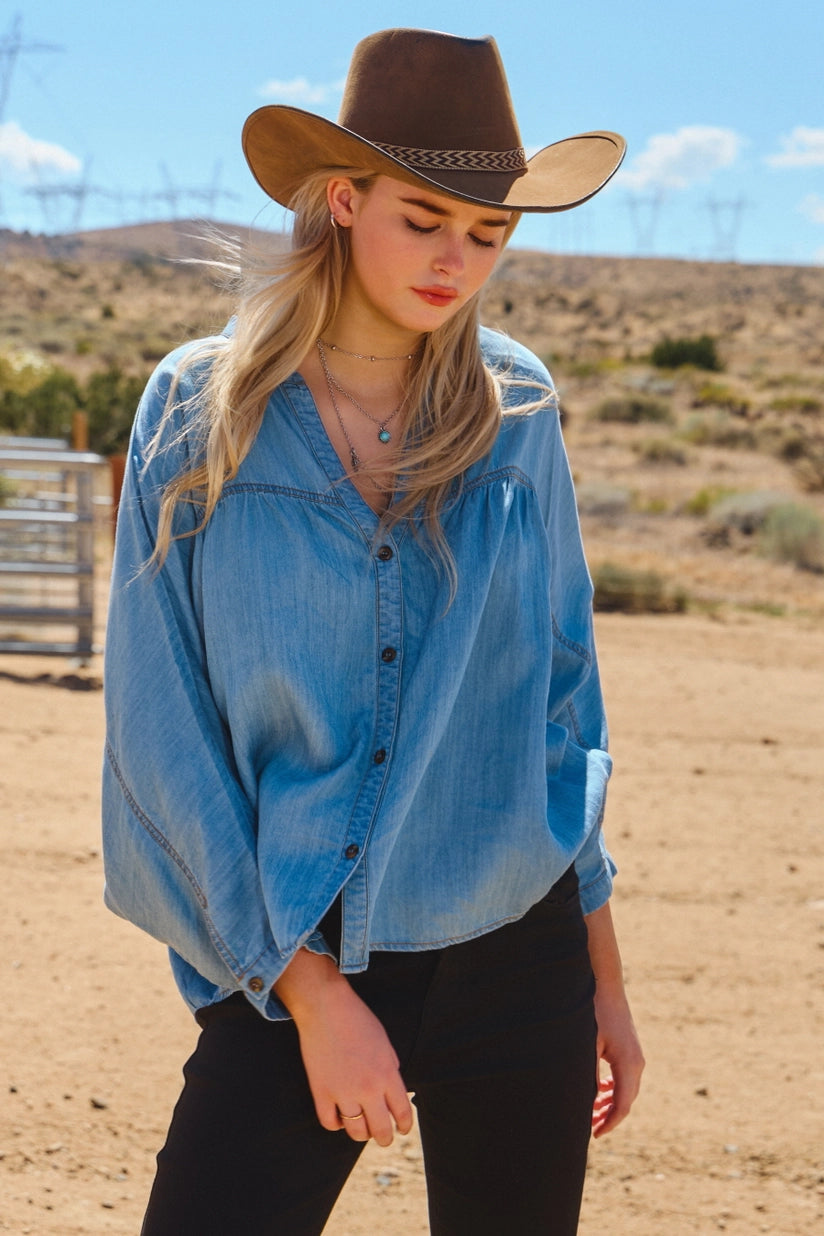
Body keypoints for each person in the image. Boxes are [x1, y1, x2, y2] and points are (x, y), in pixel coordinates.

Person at [102, 27, 644, 1236]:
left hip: (520, 948)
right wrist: (309, 997)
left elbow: (562, 699)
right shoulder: (199, 410)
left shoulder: (514, 409)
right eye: (424, 218)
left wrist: (601, 982)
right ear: (342, 201)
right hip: (295, 946)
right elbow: (159, 724)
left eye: (488, 233)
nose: (457, 261)